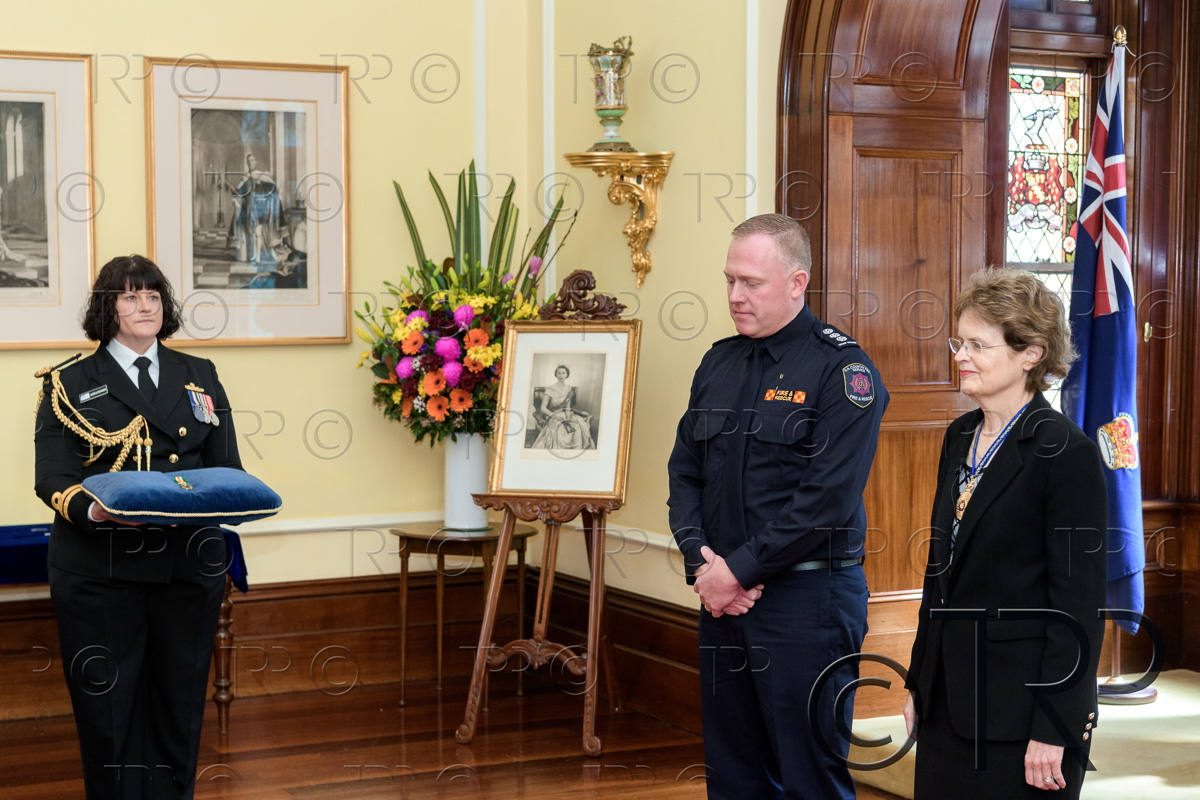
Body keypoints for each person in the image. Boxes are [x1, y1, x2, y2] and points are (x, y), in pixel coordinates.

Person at [667, 213, 889, 799]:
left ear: (797, 283)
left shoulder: (843, 372)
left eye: (751, 283)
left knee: (809, 775)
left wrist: (737, 572)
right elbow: (684, 472)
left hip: (808, 602)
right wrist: (702, 563)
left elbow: (825, 501)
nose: (735, 296)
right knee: (733, 773)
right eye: (729, 280)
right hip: (723, 600)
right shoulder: (718, 362)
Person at [34, 254, 241, 799]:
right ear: (109, 309)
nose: (145, 306)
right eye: (130, 296)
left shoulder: (200, 373)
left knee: (179, 705)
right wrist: (97, 511)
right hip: (101, 567)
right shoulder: (68, 382)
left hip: (186, 566)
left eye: (153, 296)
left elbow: (226, 467)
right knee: (109, 713)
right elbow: (52, 477)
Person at [903, 268, 1108, 799]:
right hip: (946, 701)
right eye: (959, 342)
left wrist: (1055, 724)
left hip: (1022, 717)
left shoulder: (1067, 453)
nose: (961, 356)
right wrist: (918, 681)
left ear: (1031, 354)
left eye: (978, 345)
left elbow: (1079, 606)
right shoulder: (959, 435)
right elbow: (939, 576)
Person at [531, 365, 595, 450]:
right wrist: (555, 416)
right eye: (559, 373)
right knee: (560, 429)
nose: (561, 375)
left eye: (563, 373)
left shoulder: (568, 389)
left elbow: (568, 407)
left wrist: (568, 419)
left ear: (567, 375)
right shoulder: (550, 389)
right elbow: (543, 408)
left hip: (565, 414)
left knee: (578, 424)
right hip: (553, 415)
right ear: (556, 375)